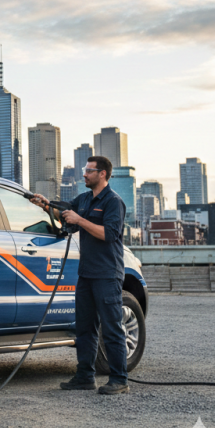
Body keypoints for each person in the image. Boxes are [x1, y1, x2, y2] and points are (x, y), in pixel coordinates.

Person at [31, 155, 129, 395]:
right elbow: (64, 214)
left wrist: (80, 220)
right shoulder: (84, 199)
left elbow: (108, 234)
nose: (84, 174)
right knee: (84, 328)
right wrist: (45, 205)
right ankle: (85, 376)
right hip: (86, 274)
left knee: (112, 327)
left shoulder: (113, 202)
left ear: (102, 173)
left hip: (107, 274)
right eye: (85, 170)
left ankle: (119, 379)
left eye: (89, 170)